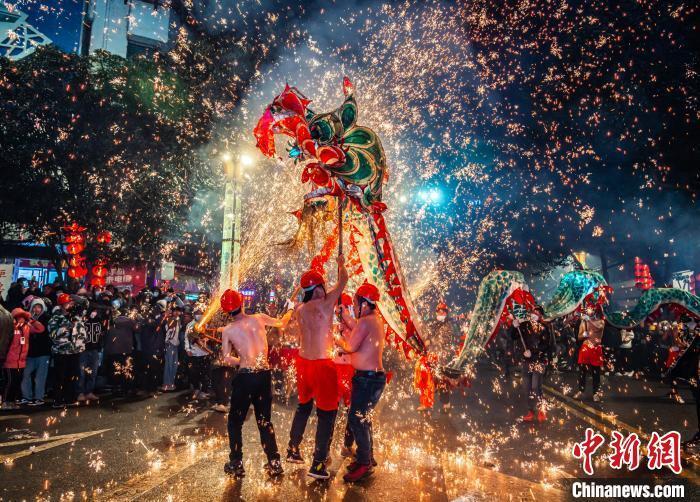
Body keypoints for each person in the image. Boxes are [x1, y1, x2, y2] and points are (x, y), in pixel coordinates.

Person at [287, 255, 348, 480]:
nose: (324, 291)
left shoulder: (300, 309)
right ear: (318, 288)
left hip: (303, 364)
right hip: (323, 365)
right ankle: (319, 464)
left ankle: (293, 449)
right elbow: (344, 281)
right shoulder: (326, 302)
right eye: (321, 287)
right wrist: (341, 264)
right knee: (327, 414)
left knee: (303, 406)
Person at [220, 289, 285, 479]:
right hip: (264, 375)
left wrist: (242, 360)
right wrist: (289, 310)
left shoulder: (228, 330)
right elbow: (282, 322)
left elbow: (225, 358)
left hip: (245, 377)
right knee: (265, 421)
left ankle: (236, 462)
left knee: (235, 422)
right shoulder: (260, 318)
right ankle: (274, 462)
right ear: (243, 303)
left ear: (225, 311)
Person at [335, 283, 387, 482]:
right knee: (363, 418)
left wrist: (336, 339)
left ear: (364, 304)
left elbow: (350, 346)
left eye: (356, 303)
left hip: (367, 379)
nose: (354, 307)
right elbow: (357, 330)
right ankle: (367, 457)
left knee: (357, 419)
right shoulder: (373, 320)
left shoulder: (366, 322)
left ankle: (364, 462)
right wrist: (346, 317)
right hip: (372, 378)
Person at [512, 306, 551, 422]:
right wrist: (514, 327)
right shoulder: (525, 325)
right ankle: (530, 411)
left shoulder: (544, 328)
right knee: (527, 388)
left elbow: (546, 345)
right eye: (534, 312)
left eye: (537, 313)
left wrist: (533, 351)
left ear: (541, 316)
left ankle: (541, 409)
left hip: (539, 361)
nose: (535, 314)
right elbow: (514, 336)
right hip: (526, 361)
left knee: (536, 386)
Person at [48, 293, 87, 408]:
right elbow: (52, 334)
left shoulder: (76, 317)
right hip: (61, 351)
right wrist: (66, 327)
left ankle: (69, 397)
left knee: (72, 375)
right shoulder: (55, 318)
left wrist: (81, 343)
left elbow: (81, 332)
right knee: (60, 376)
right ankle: (58, 400)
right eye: (67, 303)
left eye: (70, 303)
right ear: (61, 305)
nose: (69, 305)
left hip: (74, 351)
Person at [2, 308, 40, 408]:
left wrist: (32, 320)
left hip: (21, 362)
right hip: (10, 361)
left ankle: (12, 402)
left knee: (17, 382)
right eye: (19, 317)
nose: (21, 319)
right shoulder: (10, 328)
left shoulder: (27, 327)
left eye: (23, 317)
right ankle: (5, 402)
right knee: (9, 382)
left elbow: (41, 329)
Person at [334, 293, 356, 457]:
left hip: (350, 369)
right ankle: (325, 449)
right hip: (337, 368)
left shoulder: (354, 324)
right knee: (330, 410)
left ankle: (348, 445)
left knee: (352, 410)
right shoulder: (335, 325)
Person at [21, 298, 52, 405]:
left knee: (40, 377)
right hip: (31, 352)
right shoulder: (28, 318)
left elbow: (43, 331)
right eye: (34, 307)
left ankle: (39, 397)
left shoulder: (46, 317)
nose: (36, 309)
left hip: (43, 352)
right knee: (26, 374)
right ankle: (26, 396)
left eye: (39, 307)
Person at [78, 299, 108, 402]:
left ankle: (89, 392)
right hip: (83, 350)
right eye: (93, 310)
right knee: (81, 373)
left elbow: (103, 332)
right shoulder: (83, 320)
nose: (94, 312)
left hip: (95, 350)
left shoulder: (99, 320)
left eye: (96, 311)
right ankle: (80, 392)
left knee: (93, 372)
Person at [573, 309, 605, 402]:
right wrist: (583, 335)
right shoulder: (584, 322)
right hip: (586, 348)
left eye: (591, 310)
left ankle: (595, 393)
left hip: (596, 349)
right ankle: (581, 391)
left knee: (596, 373)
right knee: (582, 372)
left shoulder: (601, 322)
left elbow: (598, 328)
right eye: (589, 310)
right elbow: (579, 336)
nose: (590, 312)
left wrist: (588, 320)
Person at [103, 310, 137, 396]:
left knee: (116, 370)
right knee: (126, 370)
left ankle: (116, 389)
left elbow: (107, 338)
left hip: (113, 351)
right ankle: (126, 389)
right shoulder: (129, 322)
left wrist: (106, 352)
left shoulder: (111, 324)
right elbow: (138, 328)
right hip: (126, 350)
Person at [184, 310, 211, 400]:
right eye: (197, 314)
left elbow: (210, 336)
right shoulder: (190, 325)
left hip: (204, 353)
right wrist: (187, 349)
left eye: (200, 314)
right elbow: (186, 338)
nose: (199, 315)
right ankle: (196, 389)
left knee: (205, 373)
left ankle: (204, 391)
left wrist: (207, 339)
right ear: (194, 315)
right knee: (194, 373)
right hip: (194, 353)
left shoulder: (206, 324)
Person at [160, 306, 181, 391]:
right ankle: (166, 384)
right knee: (169, 364)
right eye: (175, 311)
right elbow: (168, 332)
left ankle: (171, 383)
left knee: (174, 365)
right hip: (169, 344)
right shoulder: (169, 320)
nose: (177, 313)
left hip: (175, 345)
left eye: (178, 311)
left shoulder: (178, 321)